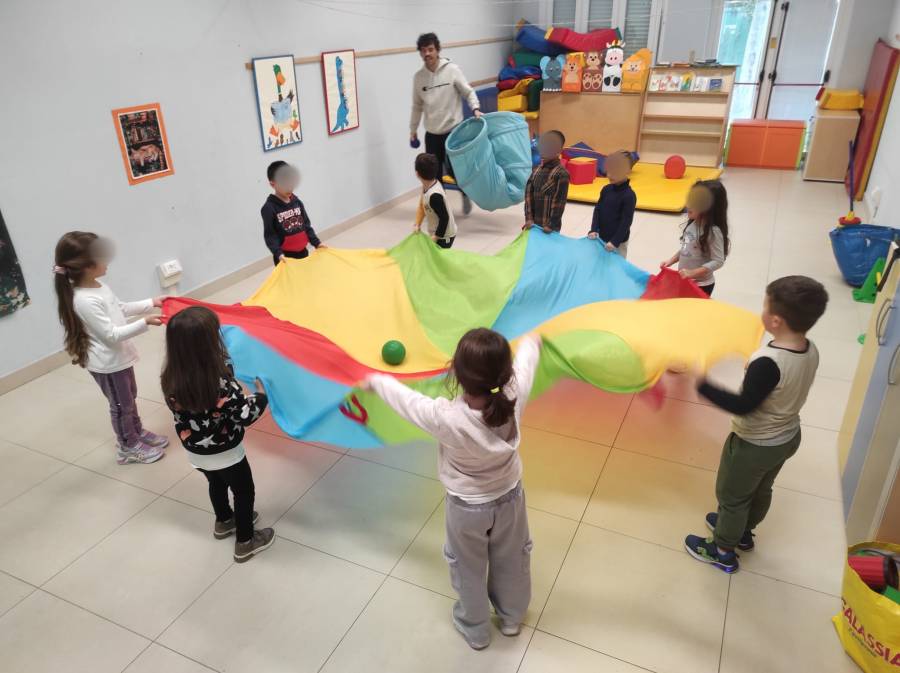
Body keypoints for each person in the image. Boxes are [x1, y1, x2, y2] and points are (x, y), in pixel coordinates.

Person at [364, 328, 542, 650]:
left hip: (467, 508)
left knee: (467, 567)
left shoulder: (445, 417)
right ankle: (511, 618)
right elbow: (526, 366)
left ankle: (476, 629)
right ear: (505, 373)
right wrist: (533, 342)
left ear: (457, 374)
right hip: (510, 499)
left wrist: (378, 382)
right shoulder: (514, 396)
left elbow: (409, 403)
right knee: (512, 558)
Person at [684, 276, 828, 573]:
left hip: (755, 444)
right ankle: (743, 532)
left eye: (765, 306)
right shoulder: (809, 348)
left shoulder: (767, 362)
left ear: (775, 321)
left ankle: (722, 549)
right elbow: (783, 381)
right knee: (762, 489)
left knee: (732, 496)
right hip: (787, 436)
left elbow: (743, 405)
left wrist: (703, 385)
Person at [161, 306, 275, 563]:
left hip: (196, 452)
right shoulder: (221, 384)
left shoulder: (169, 378)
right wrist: (260, 396)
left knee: (216, 483)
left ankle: (224, 520)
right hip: (227, 452)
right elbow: (245, 415)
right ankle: (246, 541)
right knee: (244, 491)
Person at [53, 231, 168, 465]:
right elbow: (111, 335)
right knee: (121, 405)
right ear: (87, 266)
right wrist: (144, 323)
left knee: (129, 397)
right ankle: (127, 446)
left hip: (119, 357)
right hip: (108, 363)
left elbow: (120, 308)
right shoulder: (84, 300)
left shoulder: (98, 286)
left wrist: (150, 303)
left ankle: (135, 432)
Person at [409, 32, 482, 216]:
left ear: (437, 50)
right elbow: (417, 106)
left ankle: (465, 193)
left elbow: (468, 92)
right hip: (432, 133)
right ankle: (441, 210)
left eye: (430, 49)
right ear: (420, 53)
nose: (427, 53)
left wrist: (475, 108)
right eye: (423, 50)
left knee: (456, 171)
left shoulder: (452, 70)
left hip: (453, 132)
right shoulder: (419, 77)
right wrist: (413, 130)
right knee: (433, 176)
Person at [660, 180, 730, 295]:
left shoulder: (713, 231)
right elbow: (686, 248)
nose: (688, 205)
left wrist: (692, 273)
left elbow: (718, 261)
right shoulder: (693, 224)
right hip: (686, 281)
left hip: (701, 285)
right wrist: (670, 261)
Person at [261, 160, 326, 265]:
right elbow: (270, 235)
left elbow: (306, 226)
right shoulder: (269, 208)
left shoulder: (297, 202)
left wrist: (317, 243)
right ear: (273, 184)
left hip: (303, 253)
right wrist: (278, 254)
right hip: (284, 258)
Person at [588, 150, 636, 257]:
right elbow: (598, 210)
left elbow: (626, 222)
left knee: (616, 264)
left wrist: (615, 241)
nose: (610, 175)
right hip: (602, 237)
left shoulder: (629, 196)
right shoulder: (606, 189)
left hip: (618, 243)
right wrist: (594, 229)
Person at [523, 130, 570, 233]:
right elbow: (528, 196)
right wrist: (529, 218)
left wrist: (551, 225)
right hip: (533, 226)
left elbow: (559, 202)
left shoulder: (562, 174)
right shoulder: (535, 171)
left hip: (549, 229)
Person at [414, 153, 457, 248]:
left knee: (440, 256)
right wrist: (417, 223)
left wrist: (436, 236)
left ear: (417, 174)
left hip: (445, 236)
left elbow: (445, 218)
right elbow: (422, 206)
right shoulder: (427, 185)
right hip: (437, 232)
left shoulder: (434, 196)